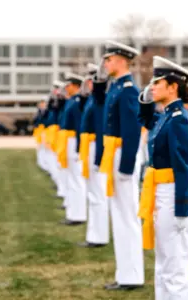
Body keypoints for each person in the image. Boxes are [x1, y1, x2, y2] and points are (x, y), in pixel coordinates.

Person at [138, 56, 188, 300]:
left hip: (174, 195)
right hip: (161, 193)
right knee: (163, 265)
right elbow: (144, 117)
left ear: (173, 87)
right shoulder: (166, 116)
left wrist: (181, 208)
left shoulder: (178, 120)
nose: (153, 86)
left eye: (157, 82)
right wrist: (146, 95)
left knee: (175, 266)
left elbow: (183, 166)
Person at [99, 40, 144, 290]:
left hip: (121, 156)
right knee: (119, 215)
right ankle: (125, 273)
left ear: (122, 60)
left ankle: (132, 275)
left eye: (109, 59)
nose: (105, 63)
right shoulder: (116, 87)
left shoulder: (127, 90)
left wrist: (126, 167)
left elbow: (132, 132)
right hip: (113, 154)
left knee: (127, 216)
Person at [78, 63, 110, 247]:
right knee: (93, 194)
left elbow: (99, 129)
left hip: (96, 149)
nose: (89, 83)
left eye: (92, 80)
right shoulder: (92, 99)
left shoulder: (101, 100)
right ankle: (93, 234)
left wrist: (99, 157)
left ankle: (99, 237)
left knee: (97, 194)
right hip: (89, 148)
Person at [59, 72, 87, 225]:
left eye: (68, 85)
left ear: (76, 86)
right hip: (67, 141)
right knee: (71, 178)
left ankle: (78, 215)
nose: (66, 88)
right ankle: (73, 212)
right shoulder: (71, 101)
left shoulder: (77, 102)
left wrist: (78, 148)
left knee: (76, 179)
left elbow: (78, 126)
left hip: (73, 141)